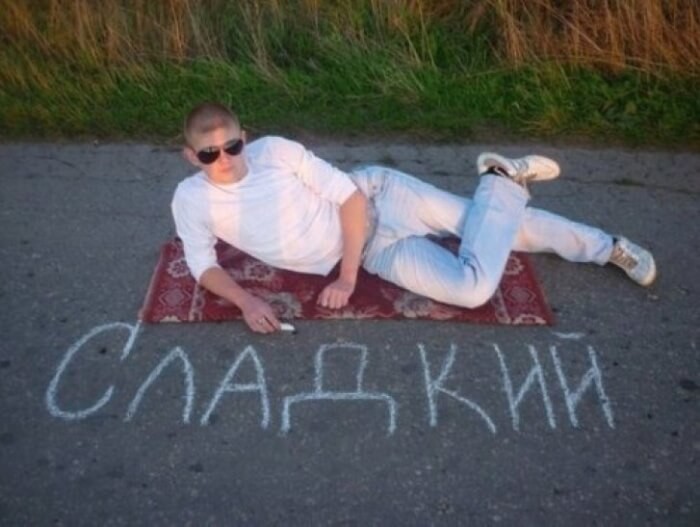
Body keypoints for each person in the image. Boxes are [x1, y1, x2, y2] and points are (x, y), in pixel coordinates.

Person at [171, 102, 657, 333]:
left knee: (497, 229)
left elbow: (350, 198)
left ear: (245, 138)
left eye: (232, 146)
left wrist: (346, 277)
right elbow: (202, 264)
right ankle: (502, 181)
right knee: (478, 272)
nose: (225, 159)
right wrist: (245, 301)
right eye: (210, 153)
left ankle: (606, 247)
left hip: (382, 199)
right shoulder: (191, 201)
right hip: (380, 251)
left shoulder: (276, 151)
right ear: (192, 157)